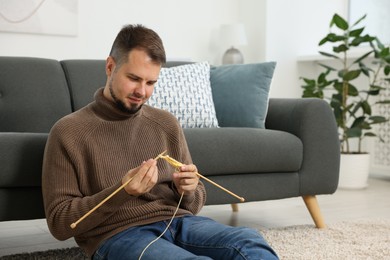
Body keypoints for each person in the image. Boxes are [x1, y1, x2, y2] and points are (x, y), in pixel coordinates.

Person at [42, 24, 278, 260]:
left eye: (151, 83)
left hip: (179, 223)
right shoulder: (68, 131)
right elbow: (60, 224)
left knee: (249, 242)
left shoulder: (165, 123)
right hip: (117, 235)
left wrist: (187, 189)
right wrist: (122, 191)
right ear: (110, 67)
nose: (142, 91)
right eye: (134, 78)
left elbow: (194, 204)